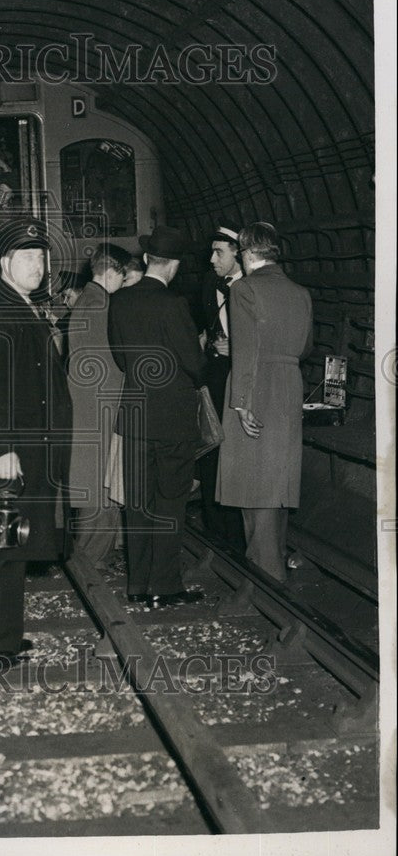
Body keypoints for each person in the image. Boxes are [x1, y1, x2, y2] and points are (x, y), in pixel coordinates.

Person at [0, 217, 72, 669]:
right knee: (0, 550)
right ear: (5, 263)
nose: (38, 266)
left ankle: (4, 638)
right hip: (9, 454)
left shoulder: (23, 307)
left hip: (27, 449)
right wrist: (3, 449)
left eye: (42, 257)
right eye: (28, 257)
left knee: (14, 544)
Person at [108, 226, 206, 608]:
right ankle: (163, 586)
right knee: (170, 502)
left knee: (137, 504)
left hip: (134, 415)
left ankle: (137, 584)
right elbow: (194, 364)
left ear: (148, 259)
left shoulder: (120, 301)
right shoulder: (174, 305)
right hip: (172, 419)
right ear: (175, 265)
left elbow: (120, 358)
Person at [216, 222, 313, 582]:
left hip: (256, 387)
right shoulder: (301, 293)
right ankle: (274, 563)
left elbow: (244, 349)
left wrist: (241, 402)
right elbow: (306, 347)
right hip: (289, 385)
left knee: (252, 487)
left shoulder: (244, 288)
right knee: (277, 484)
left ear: (246, 252)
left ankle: (265, 579)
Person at [67, 243, 131, 569]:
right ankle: (90, 560)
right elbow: (114, 362)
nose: (125, 281)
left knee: (94, 483)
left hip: (88, 406)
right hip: (101, 407)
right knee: (101, 485)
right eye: (124, 275)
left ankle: (94, 556)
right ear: (112, 272)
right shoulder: (101, 305)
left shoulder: (87, 300)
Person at [197, 222, 246, 548]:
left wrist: (238, 348)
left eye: (219, 253)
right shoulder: (208, 285)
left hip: (242, 377)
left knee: (238, 455)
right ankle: (216, 533)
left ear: (237, 253)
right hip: (215, 378)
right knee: (212, 451)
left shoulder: (254, 287)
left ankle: (240, 536)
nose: (212, 259)